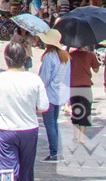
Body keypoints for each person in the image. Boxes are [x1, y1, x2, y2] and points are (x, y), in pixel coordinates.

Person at [0, 40, 50, 181]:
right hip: (29, 128)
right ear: (24, 58)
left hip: (5, 129)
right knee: (27, 170)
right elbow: (43, 107)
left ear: (6, 58)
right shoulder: (34, 80)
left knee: (7, 170)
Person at [36, 29, 69, 160]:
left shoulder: (49, 57)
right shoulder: (65, 56)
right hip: (59, 93)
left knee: (49, 124)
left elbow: (44, 78)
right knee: (54, 123)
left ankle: (54, 152)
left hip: (48, 94)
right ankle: (56, 150)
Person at [67, 41, 98, 144]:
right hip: (85, 85)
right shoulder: (90, 55)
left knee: (76, 110)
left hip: (73, 85)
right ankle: (82, 137)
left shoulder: (70, 55)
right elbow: (96, 69)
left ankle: (75, 135)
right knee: (85, 111)